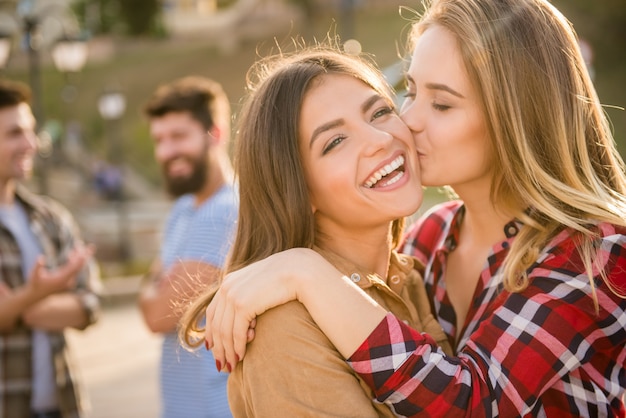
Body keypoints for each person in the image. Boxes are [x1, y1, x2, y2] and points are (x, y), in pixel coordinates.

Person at [203, 0, 626, 416]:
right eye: (409, 92)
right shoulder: (431, 237)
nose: (407, 122)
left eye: (441, 104)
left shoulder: (598, 256)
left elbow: (475, 404)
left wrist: (304, 272)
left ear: (517, 116)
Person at [179, 46, 452, 417]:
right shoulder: (283, 327)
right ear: (298, 191)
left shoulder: (411, 276)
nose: (379, 139)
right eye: (335, 142)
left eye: (381, 112)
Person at [0, 79, 102, 418]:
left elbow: (91, 302)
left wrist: (22, 305)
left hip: (60, 406)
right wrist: (47, 293)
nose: (31, 143)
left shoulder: (51, 218)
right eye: (15, 133)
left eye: (31, 131)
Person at [138, 76, 238, 418]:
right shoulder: (183, 210)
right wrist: (158, 287)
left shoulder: (225, 212)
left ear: (217, 134)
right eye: (159, 140)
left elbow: (157, 314)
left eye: (179, 137)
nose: (166, 152)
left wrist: (154, 286)